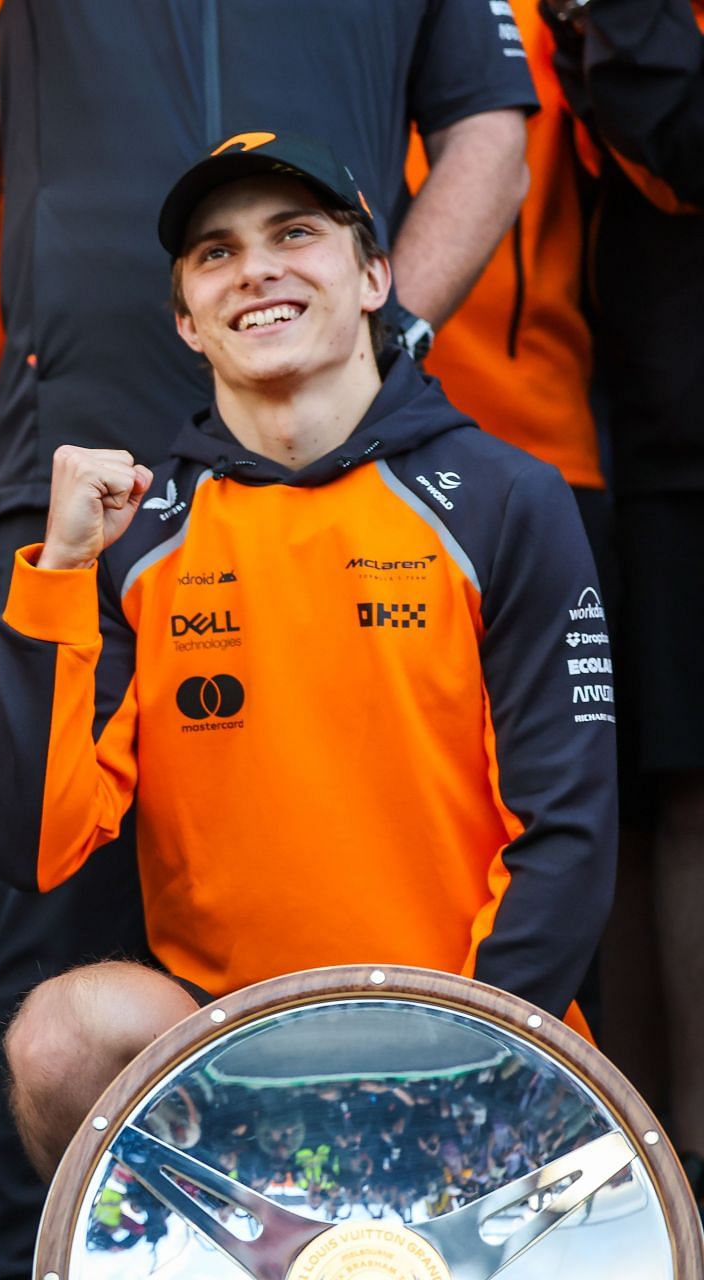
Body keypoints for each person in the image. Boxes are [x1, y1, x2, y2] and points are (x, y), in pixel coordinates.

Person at [0, 6, 539, 1271]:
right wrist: (64, 563)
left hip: (450, 1038)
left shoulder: (501, 503)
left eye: (295, 239)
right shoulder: (127, 532)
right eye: (221, 256)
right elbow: (28, 845)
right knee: (47, 983)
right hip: (92, 464)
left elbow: (495, 130)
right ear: (185, 306)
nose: (257, 267)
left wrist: (351, 364)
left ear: (363, 263)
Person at [547, 0, 704, 1194]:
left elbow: (677, 135)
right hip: (607, 440)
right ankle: (650, 1174)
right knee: (630, 805)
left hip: (676, 441)